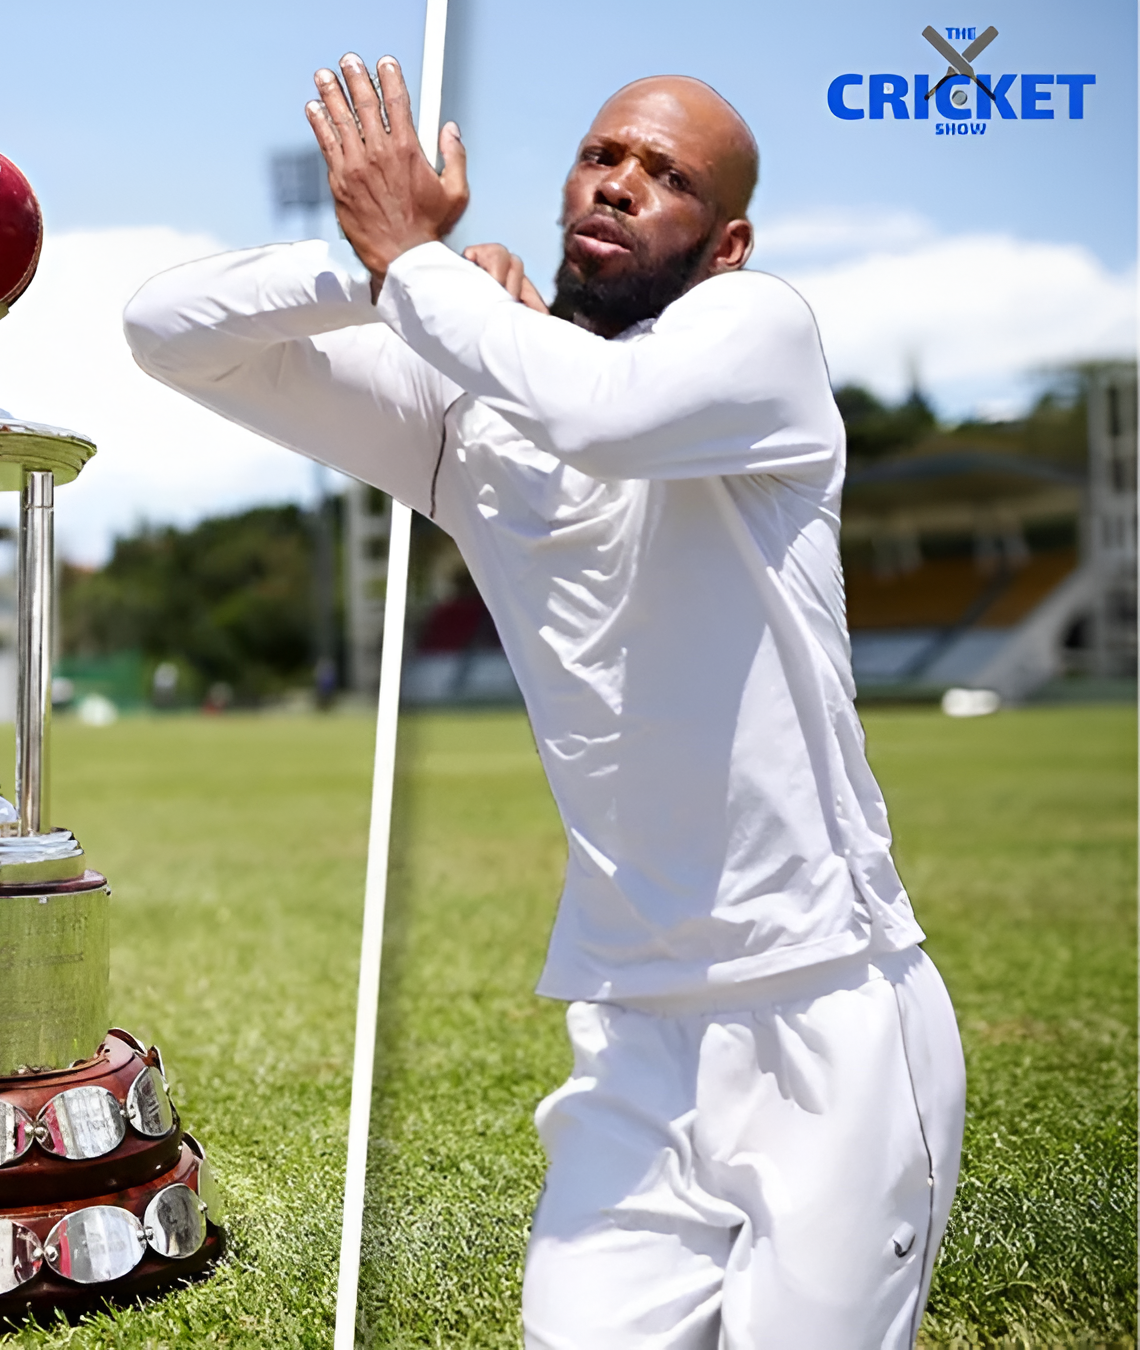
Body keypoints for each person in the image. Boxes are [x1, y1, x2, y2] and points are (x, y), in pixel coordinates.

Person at [124, 59, 964, 1349]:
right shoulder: (471, 403)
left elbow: (602, 414)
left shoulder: (760, 337)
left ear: (727, 243)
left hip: (830, 1007)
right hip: (629, 1032)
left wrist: (427, 277)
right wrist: (372, 269)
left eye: (670, 177)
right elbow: (164, 332)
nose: (622, 183)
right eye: (604, 154)